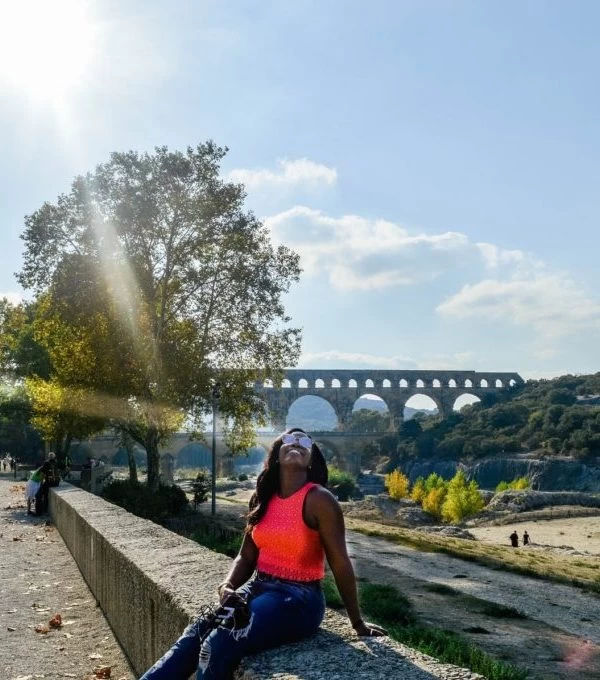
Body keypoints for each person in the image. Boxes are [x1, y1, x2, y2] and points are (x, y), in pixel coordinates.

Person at [140, 428, 386, 680]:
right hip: (258, 587)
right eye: (289, 439)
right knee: (195, 633)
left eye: (305, 442)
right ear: (277, 453)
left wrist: (357, 623)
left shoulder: (320, 500)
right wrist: (228, 585)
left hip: (299, 599)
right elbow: (246, 556)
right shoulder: (261, 498)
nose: (297, 443)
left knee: (217, 644)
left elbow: (340, 562)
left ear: (312, 460)